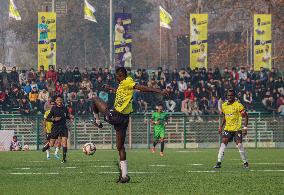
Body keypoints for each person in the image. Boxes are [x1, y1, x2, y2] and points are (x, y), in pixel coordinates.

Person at [91, 67, 168, 183]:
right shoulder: (124, 83)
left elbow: (140, 87)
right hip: (124, 119)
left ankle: (97, 122)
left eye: (117, 77)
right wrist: (111, 88)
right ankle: (124, 176)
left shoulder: (127, 81)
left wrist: (158, 90)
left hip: (116, 116)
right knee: (120, 147)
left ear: (120, 75)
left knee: (95, 99)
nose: (116, 79)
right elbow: (122, 92)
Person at [214, 89, 249, 169]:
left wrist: (245, 128)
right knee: (223, 143)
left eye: (232, 95)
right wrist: (221, 126)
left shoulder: (238, 105)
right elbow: (225, 117)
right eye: (229, 95)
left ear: (234, 96)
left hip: (237, 129)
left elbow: (246, 116)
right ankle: (218, 162)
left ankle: (245, 162)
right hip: (228, 128)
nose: (230, 97)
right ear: (227, 96)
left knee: (239, 145)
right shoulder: (224, 105)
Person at [42, 96, 73, 163]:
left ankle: (64, 159)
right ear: (56, 101)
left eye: (60, 100)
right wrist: (54, 119)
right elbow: (47, 118)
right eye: (58, 100)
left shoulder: (65, 108)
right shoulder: (53, 108)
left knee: (64, 142)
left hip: (63, 127)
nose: (59, 101)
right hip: (55, 127)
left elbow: (66, 116)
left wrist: (70, 117)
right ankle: (47, 146)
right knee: (51, 144)